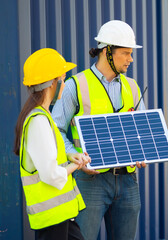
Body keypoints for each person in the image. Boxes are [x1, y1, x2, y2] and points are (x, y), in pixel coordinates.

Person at [52, 20, 147, 240]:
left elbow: (143, 130)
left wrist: (143, 151)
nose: (131, 59)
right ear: (107, 52)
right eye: (126, 53)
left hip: (128, 181)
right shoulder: (77, 84)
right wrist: (72, 156)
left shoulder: (132, 86)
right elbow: (56, 129)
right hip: (90, 181)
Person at [13, 48, 91, 240]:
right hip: (52, 220)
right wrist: (77, 166)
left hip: (61, 216)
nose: (63, 84)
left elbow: (49, 155)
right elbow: (50, 175)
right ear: (52, 83)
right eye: (61, 79)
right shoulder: (38, 120)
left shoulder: (43, 116)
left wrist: (70, 156)